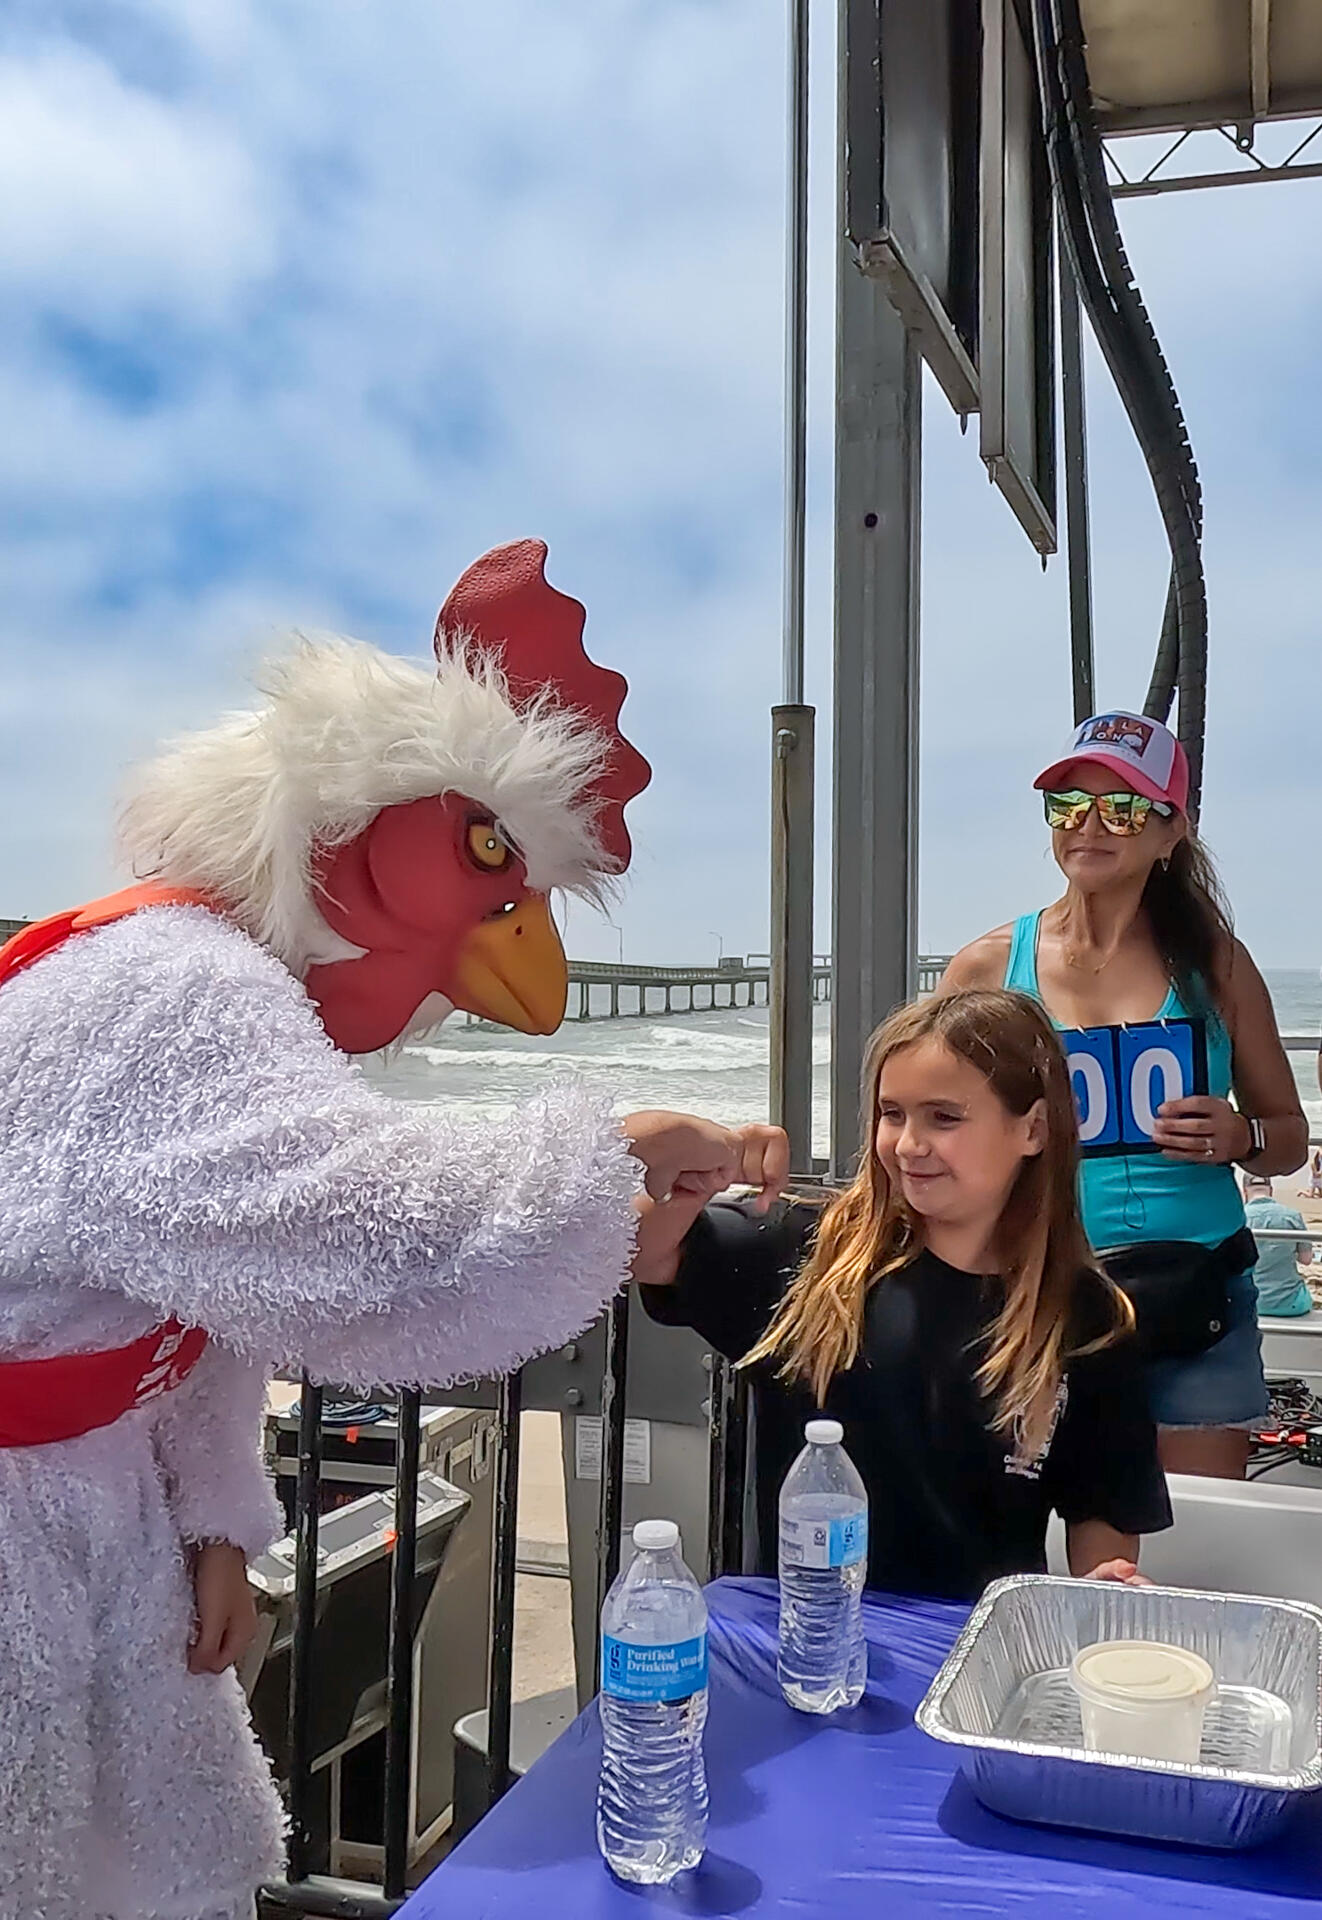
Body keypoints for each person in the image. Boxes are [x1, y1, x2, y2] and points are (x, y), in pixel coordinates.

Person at [0, 539, 752, 1920]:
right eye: (490, 859)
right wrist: (608, 1159)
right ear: (354, 812)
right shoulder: (173, 990)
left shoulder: (187, 972)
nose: (518, 938)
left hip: (83, 1508)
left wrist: (214, 1525)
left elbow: (200, 1290)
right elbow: (353, 1255)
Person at [633, 989, 1171, 1603]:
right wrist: (689, 1151)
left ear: (1034, 1129)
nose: (910, 1145)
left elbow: (1101, 1515)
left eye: (944, 1117)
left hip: (973, 1651)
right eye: (893, 1114)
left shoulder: (1090, 1319)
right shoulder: (805, 1253)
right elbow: (636, 1251)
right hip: (806, 1639)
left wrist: (1109, 1581)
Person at [941, 710, 1308, 1481]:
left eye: (1126, 806)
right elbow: (932, 1128)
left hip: (1199, 1307)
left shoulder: (1218, 966)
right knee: (1036, 1540)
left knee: (1189, 1556)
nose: (1092, 825)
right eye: (1070, 804)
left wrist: (1240, 1137)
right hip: (1042, 1302)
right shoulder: (985, 968)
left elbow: (1289, 1136)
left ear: (1174, 829)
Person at [1243, 1174, 1315, 1317]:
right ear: (1271, 1190)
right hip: (1292, 1304)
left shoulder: (1240, 1218)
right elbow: (1306, 1260)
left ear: (1245, 1191)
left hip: (1251, 1302)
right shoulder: (1292, 1215)